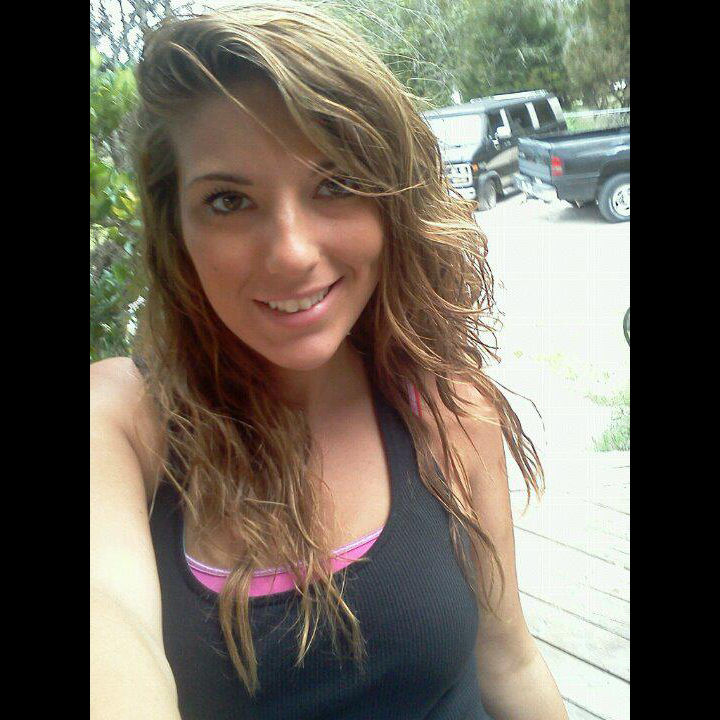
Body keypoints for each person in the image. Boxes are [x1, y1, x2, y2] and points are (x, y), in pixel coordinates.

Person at [90, 2, 568, 718]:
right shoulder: (122, 426)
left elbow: (511, 662)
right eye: (229, 200)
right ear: (176, 226)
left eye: (336, 185)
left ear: (391, 203)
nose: (291, 253)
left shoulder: (450, 411)